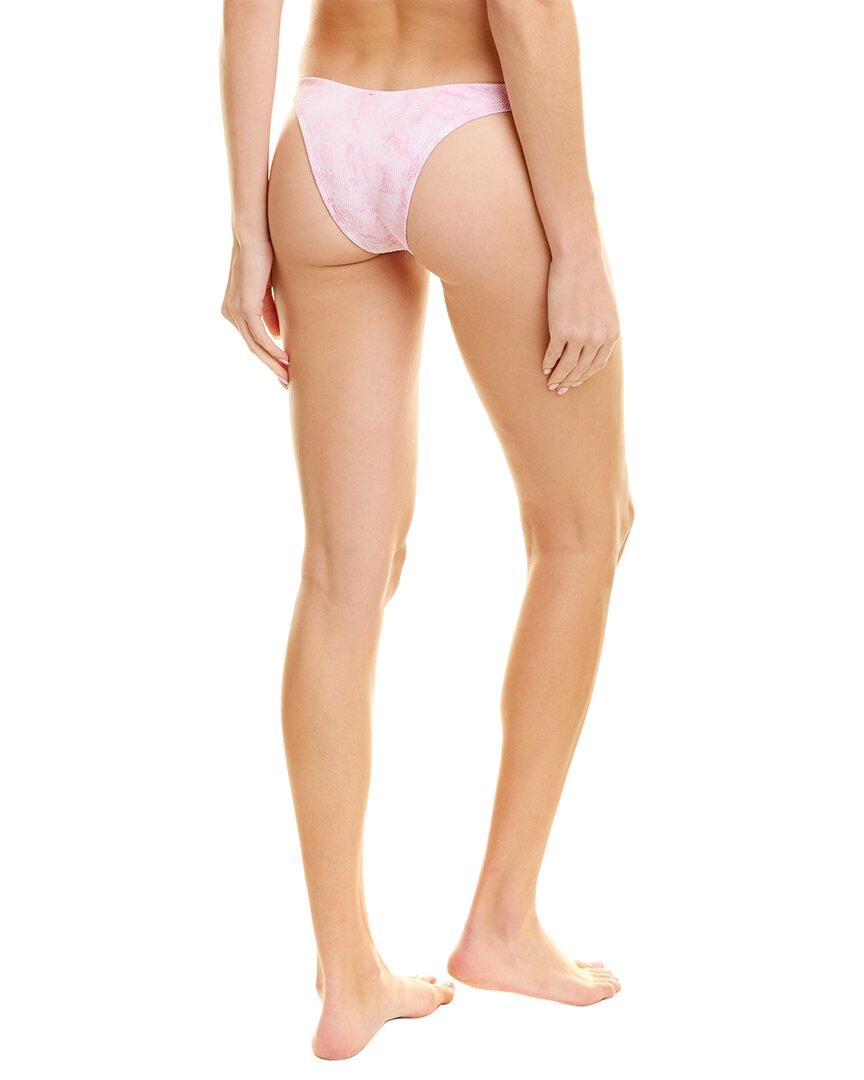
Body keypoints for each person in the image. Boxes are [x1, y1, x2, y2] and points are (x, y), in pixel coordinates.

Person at [220, 0, 634, 1061]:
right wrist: (579, 248)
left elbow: (246, 10)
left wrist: (248, 229)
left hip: (322, 138)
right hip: (465, 136)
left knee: (340, 577)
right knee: (582, 531)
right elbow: (528, 17)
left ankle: (347, 973)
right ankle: (503, 920)